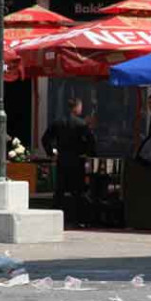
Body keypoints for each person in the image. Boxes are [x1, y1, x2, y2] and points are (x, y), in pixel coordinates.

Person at [41, 97, 96, 226]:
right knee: (78, 191)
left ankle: (55, 218)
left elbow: (45, 139)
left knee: (60, 190)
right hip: (77, 160)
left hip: (62, 159)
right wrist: (88, 154)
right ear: (76, 107)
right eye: (80, 107)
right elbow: (91, 142)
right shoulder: (81, 124)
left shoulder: (58, 122)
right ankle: (79, 219)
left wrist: (51, 153)